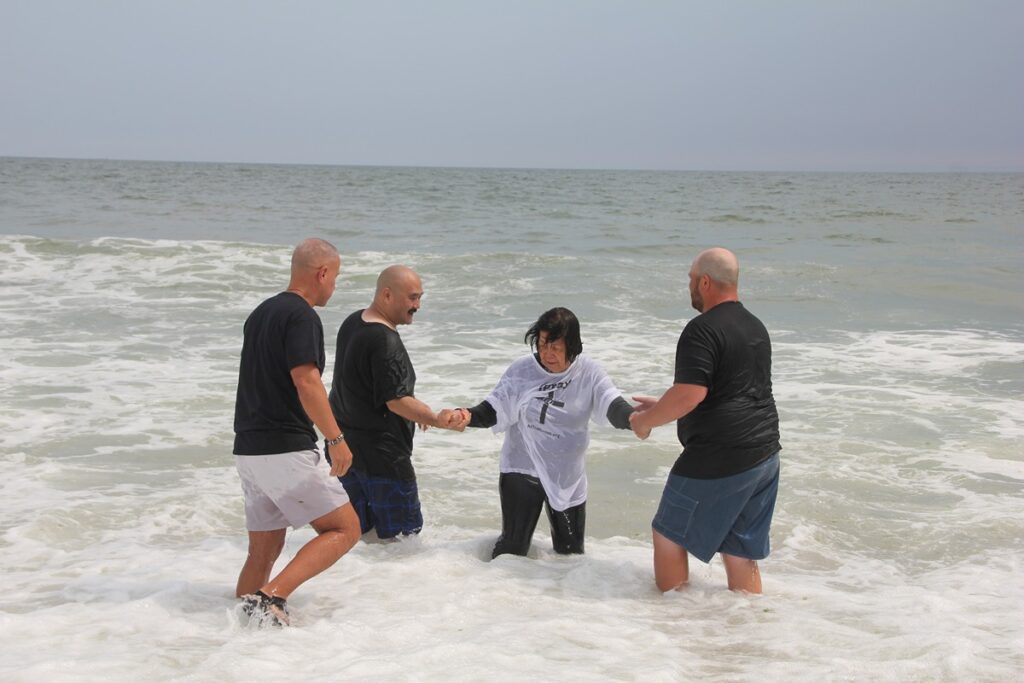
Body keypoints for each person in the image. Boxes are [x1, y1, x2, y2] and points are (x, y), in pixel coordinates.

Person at [629, 247, 781, 594]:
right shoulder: (755, 326)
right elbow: (732, 393)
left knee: (668, 533)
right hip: (764, 454)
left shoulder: (702, 329)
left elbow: (689, 394)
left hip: (720, 457)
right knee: (739, 549)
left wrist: (646, 421)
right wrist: (666, 405)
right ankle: (750, 624)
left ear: (706, 282)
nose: (690, 287)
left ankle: (674, 624)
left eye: (691, 280)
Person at [232, 238, 361, 627]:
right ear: (322, 273)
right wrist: (336, 439)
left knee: (264, 548)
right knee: (345, 528)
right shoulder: (302, 316)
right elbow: (307, 382)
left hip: (249, 449)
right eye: (335, 278)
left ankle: (236, 625)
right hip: (284, 448)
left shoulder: (260, 313)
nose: (334, 287)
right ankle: (271, 597)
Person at [449, 307, 634, 558]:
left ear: (573, 347)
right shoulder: (522, 371)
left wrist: (634, 419)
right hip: (522, 469)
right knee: (512, 551)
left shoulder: (588, 373)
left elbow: (612, 404)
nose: (546, 354)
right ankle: (489, 589)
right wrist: (466, 415)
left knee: (571, 555)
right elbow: (494, 408)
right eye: (542, 345)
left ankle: (556, 595)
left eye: (555, 348)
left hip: (567, 476)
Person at [328, 265, 462, 541]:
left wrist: (417, 413)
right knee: (403, 545)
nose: (417, 305)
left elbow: (363, 387)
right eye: (412, 298)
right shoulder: (385, 340)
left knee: (359, 539)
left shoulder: (353, 322)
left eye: (420, 297)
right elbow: (396, 400)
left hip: (347, 454)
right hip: (383, 461)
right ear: (387, 295)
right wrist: (434, 418)